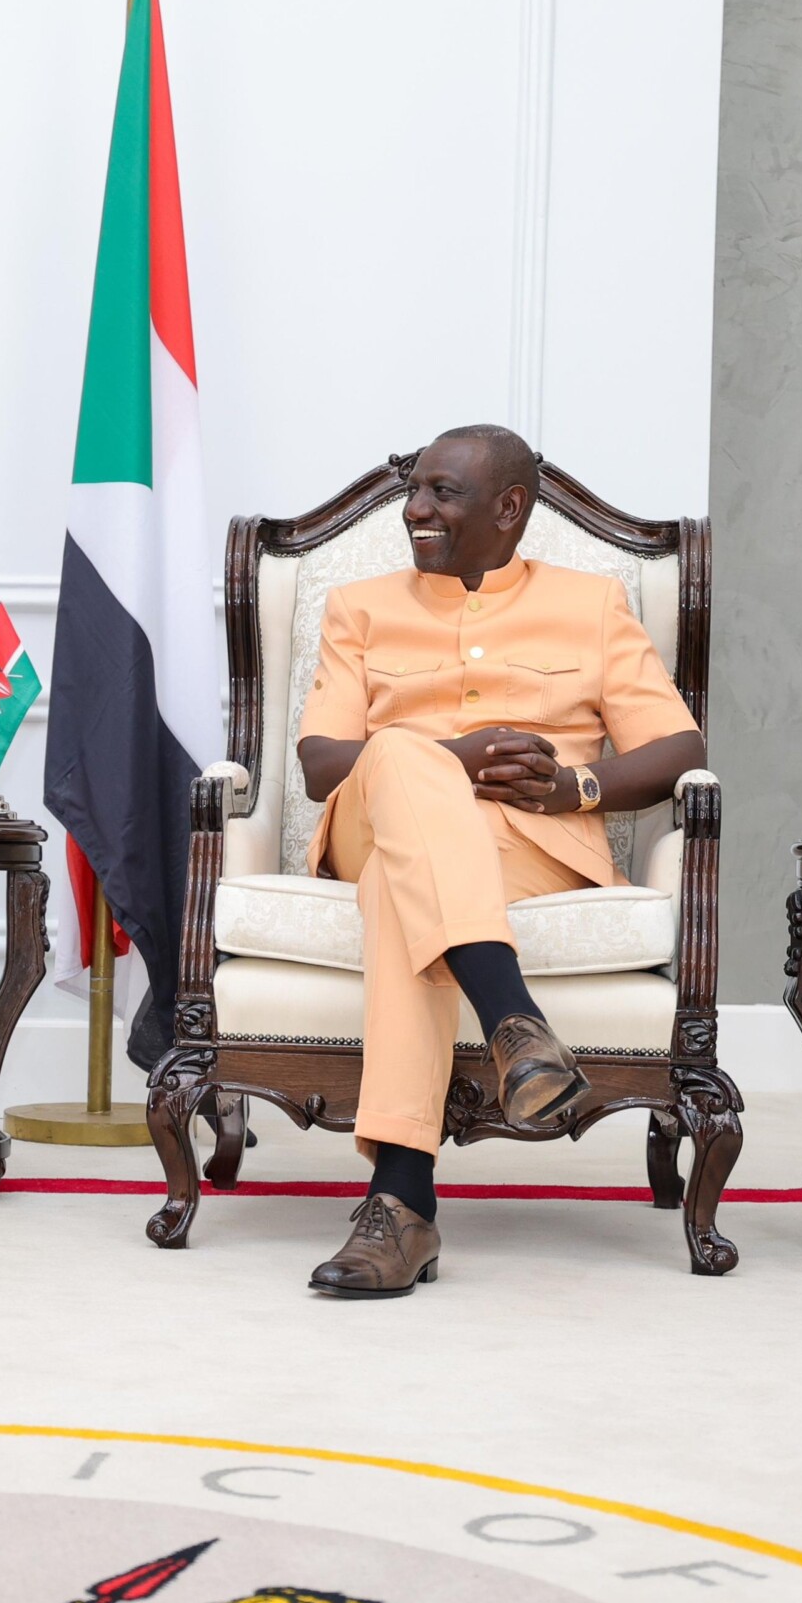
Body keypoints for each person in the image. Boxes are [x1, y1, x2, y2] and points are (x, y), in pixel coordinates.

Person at [294, 425, 706, 1301]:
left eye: (441, 492)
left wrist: (575, 787)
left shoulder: (592, 605)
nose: (414, 509)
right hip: (373, 819)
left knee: (404, 891)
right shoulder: (358, 607)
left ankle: (401, 1207)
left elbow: (679, 747)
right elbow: (322, 764)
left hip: (528, 846)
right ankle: (512, 1020)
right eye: (413, 490)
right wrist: (452, 755)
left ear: (510, 507)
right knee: (399, 754)